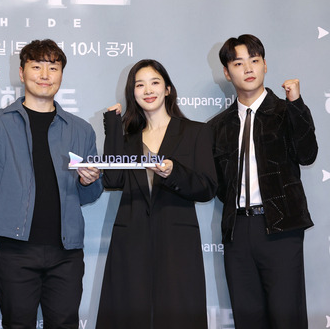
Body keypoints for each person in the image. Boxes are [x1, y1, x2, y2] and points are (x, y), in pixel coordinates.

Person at [0, 39, 103, 329]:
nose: (44, 74)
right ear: (22, 72)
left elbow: (89, 194)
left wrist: (90, 181)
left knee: (65, 323)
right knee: (17, 324)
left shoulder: (80, 129)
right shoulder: (0, 120)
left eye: (53, 67)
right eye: (36, 66)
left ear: (61, 74)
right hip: (16, 249)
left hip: (66, 251)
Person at [96, 59, 217, 329]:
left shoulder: (196, 132)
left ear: (168, 89)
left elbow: (207, 187)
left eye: (154, 83)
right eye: (140, 85)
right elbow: (113, 179)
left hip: (177, 242)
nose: (148, 90)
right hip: (130, 241)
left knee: (178, 317)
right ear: (133, 93)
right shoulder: (128, 139)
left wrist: (173, 172)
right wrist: (113, 127)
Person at [208, 34, 317, 329]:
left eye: (254, 61)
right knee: (248, 317)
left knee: (286, 316)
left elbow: (307, 155)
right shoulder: (218, 126)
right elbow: (217, 183)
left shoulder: (285, 111)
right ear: (227, 72)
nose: (248, 68)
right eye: (239, 63)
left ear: (265, 66)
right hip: (238, 229)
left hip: (281, 228)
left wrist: (296, 105)